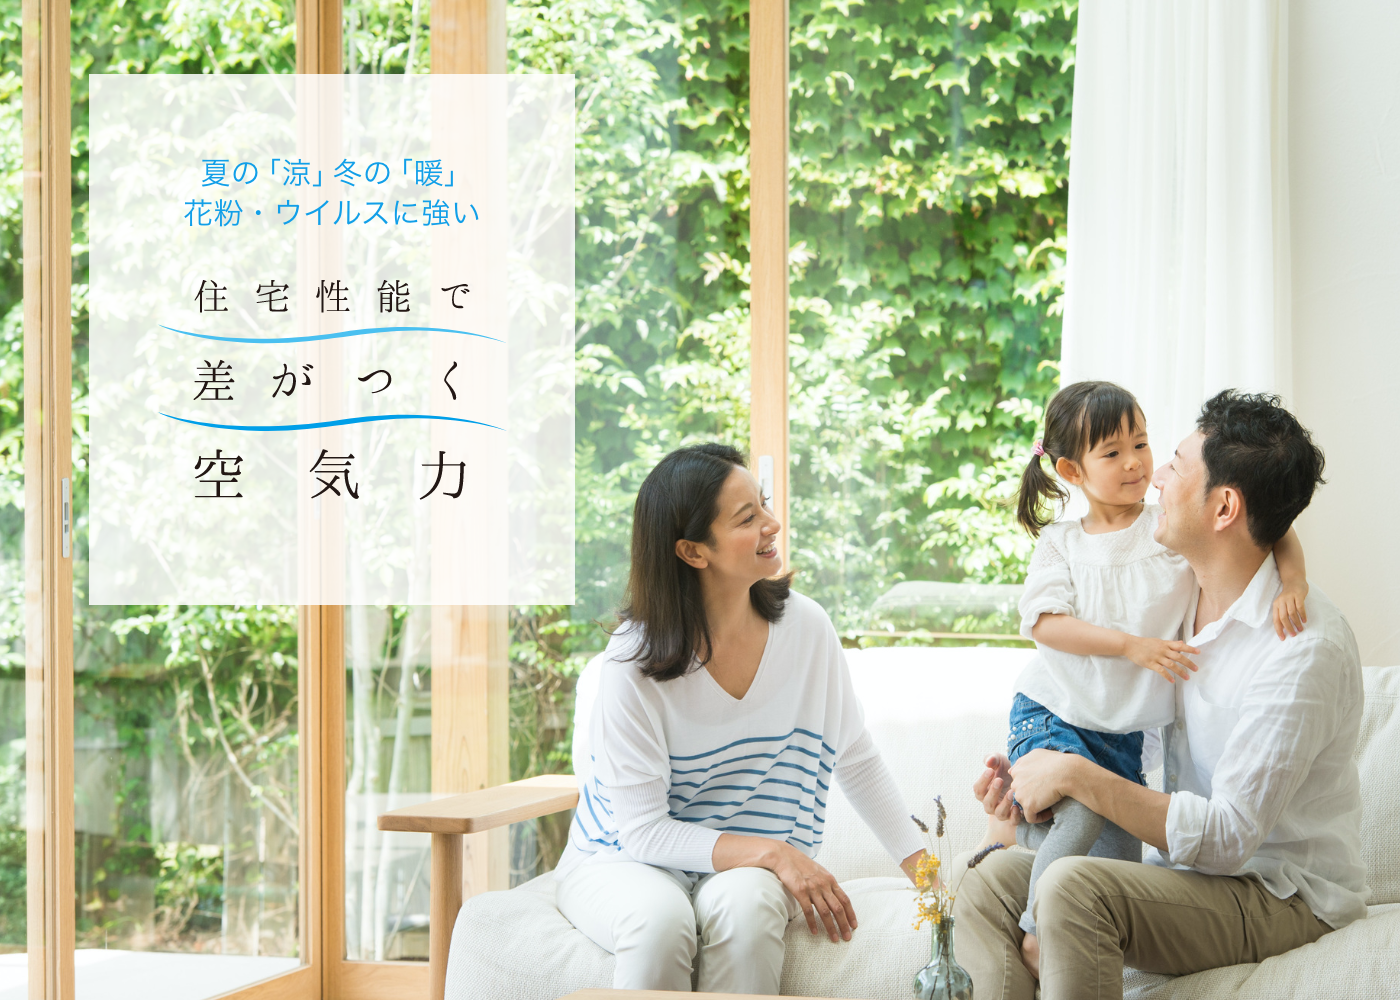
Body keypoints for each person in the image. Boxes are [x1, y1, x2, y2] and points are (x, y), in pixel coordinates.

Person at [958, 390, 1368, 1000]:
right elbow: (1095, 687)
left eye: (1171, 462)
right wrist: (1034, 785)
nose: (1153, 480)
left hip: (1278, 890)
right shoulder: (1178, 599)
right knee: (989, 883)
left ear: (1224, 507)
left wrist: (1075, 775)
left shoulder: (1300, 648)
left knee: (1070, 887)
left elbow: (1229, 839)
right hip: (1186, 870)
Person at [553, 443, 926, 994]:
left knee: (749, 911)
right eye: (748, 518)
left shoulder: (806, 629)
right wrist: (775, 852)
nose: (772, 524)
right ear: (692, 551)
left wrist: (928, 875)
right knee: (659, 924)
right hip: (621, 860)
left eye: (764, 505)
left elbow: (854, 757)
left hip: (744, 868)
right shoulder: (632, 663)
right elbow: (644, 833)